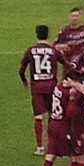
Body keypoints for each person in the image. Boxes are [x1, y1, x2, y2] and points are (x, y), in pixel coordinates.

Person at [19, 25, 64, 157]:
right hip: (51, 85)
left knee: (38, 116)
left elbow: (21, 69)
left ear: (37, 34)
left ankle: (40, 147)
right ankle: (52, 144)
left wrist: (24, 81)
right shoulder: (53, 50)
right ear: (48, 35)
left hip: (37, 87)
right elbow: (66, 64)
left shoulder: (31, 50)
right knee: (52, 115)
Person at [55, 8, 84, 74]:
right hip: (69, 62)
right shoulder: (64, 31)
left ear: (80, 17)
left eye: (76, 16)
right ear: (69, 17)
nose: (74, 18)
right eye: (73, 16)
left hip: (81, 60)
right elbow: (55, 46)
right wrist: (62, 46)